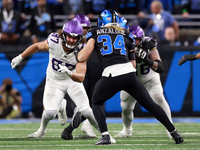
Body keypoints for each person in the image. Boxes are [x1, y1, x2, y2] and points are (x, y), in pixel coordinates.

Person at [77, 9, 184, 145]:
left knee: (96, 101)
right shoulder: (126, 34)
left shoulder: (95, 32)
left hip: (111, 73)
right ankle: (174, 133)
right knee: (151, 104)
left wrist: (78, 54)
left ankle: (105, 135)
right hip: (129, 74)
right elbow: (133, 64)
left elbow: (83, 56)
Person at [10, 19, 100, 138]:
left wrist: (69, 73)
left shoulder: (83, 48)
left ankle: (105, 134)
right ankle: (42, 131)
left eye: (75, 38)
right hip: (54, 80)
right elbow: (37, 46)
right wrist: (20, 57)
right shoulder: (54, 41)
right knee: (49, 113)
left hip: (72, 80)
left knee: (87, 111)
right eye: (69, 37)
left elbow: (81, 77)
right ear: (63, 35)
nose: (72, 40)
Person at [114, 25, 173, 139]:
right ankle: (127, 131)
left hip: (149, 78)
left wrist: (147, 60)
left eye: (137, 39)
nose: (135, 42)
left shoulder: (149, 44)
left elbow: (160, 67)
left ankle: (170, 130)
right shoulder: (120, 46)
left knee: (159, 98)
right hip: (131, 80)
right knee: (126, 107)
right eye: (133, 39)